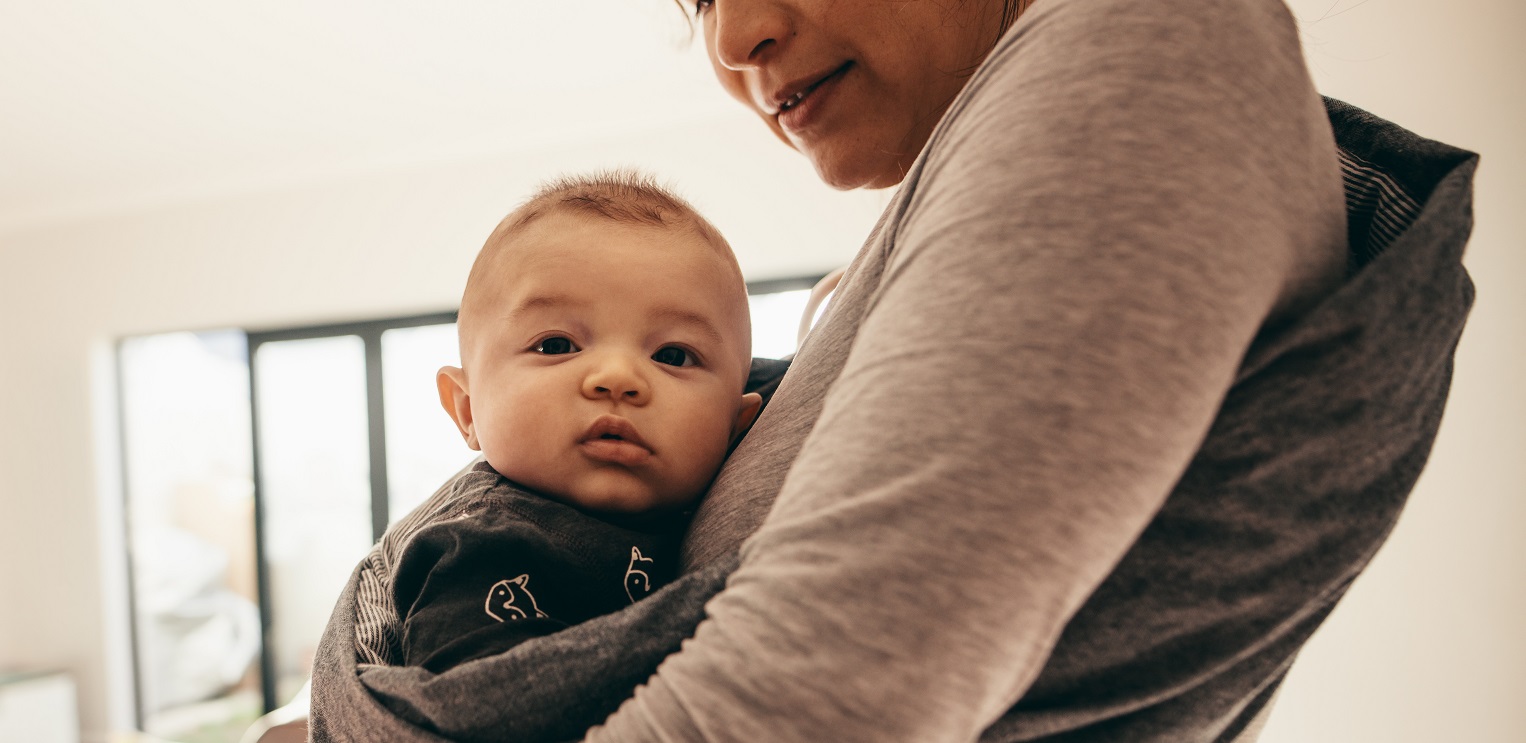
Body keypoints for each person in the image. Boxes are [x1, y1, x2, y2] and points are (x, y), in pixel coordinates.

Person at [311, 0, 1478, 740]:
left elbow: (812, 700)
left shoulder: (1139, 35)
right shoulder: (894, 252)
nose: (728, 43)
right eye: (698, 0)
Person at [362, 171, 765, 675]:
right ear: (467, 410)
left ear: (737, 428)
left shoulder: (712, 513)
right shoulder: (480, 547)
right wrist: (740, 596)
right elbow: (487, 706)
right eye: (556, 346)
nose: (618, 378)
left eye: (674, 355)